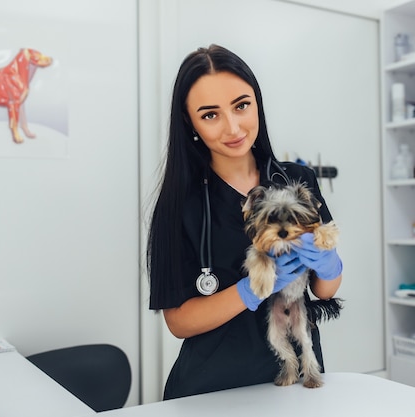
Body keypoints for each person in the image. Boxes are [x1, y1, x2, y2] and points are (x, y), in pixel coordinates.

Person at [146, 44, 343, 400]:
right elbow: (179, 322)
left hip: (297, 385)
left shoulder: (297, 180)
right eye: (210, 115)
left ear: (257, 103)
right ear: (189, 122)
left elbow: (326, 289)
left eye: (241, 105)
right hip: (212, 391)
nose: (233, 127)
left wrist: (328, 264)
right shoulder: (179, 204)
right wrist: (249, 290)